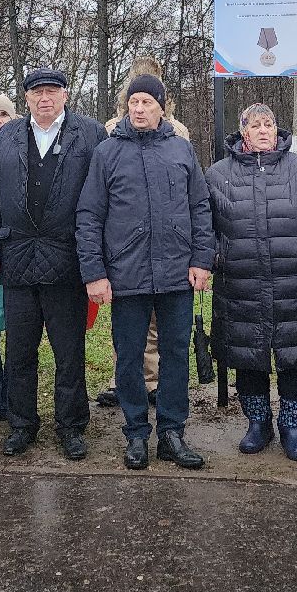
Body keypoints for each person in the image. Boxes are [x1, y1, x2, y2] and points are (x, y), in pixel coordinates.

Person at [78, 74, 214, 470]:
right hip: (126, 275)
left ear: (162, 106)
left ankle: (172, 432)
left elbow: (200, 208)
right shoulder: (107, 153)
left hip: (176, 276)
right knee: (129, 357)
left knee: (175, 354)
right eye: (133, 102)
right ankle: (136, 432)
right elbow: (89, 216)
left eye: (147, 103)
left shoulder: (181, 150)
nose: (139, 109)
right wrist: (94, 272)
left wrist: (202, 260)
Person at [0, 68, 106, 459]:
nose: (44, 98)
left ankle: (71, 425)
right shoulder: (7, 136)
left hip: (67, 259)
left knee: (69, 352)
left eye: (51, 91)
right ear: (27, 97)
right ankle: (21, 424)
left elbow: (102, 195)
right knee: (19, 351)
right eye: (36, 92)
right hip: (16, 257)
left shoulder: (90, 134)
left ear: (65, 95)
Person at [208, 103, 297, 461]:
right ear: (243, 132)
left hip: (295, 281)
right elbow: (202, 221)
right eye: (256, 125)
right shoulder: (218, 174)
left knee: (296, 356)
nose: (264, 130)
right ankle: (258, 423)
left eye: (270, 124)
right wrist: (219, 254)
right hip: (241, 283)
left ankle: (292, 427)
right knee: (248, 357)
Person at [97, 56, 192, 410]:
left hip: (168, 247)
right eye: (134, 95)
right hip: (129, 247)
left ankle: (154, 385)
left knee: (163, 331)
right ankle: (130, 384)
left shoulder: (177, 134)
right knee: (129, 331)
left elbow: (190, 194)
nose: (140, 106)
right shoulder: (111, 132)